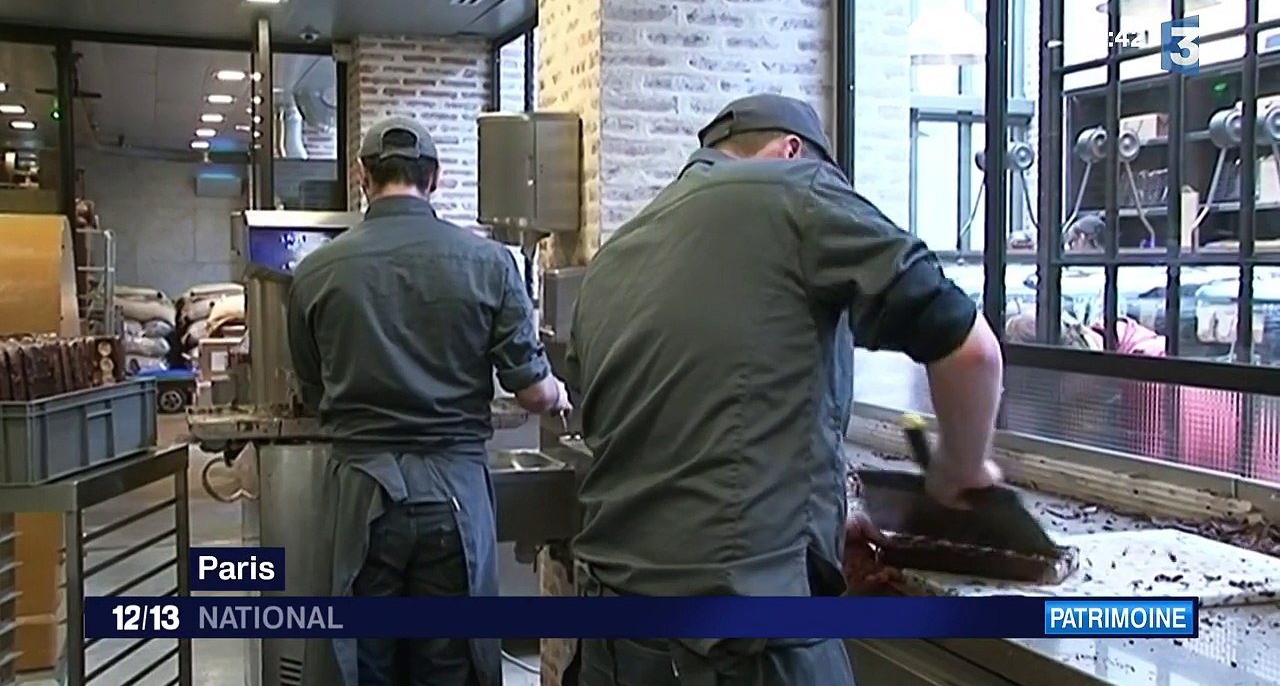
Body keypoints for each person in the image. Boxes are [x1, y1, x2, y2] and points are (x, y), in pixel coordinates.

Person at [561, 95, 1006, 685]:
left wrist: (813, 526)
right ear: (791, 151)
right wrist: (959, 471)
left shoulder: (614, 255)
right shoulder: (796, 193)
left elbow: (668, 437)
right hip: (739, 649)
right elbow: (971, 350)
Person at [287, 116, 571, 686]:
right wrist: (558, 391)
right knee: (451, 663)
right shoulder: (490, 264)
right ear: (435, 178)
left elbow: (313, 389)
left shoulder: (316, 272)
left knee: (363, 660)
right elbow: (533, 390)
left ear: (361, 176)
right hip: (453, 496)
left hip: (362, 495)